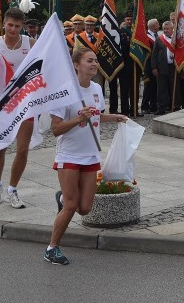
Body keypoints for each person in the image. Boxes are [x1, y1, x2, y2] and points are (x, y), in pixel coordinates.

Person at [45, 47, 128, 265]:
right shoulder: (64, 92)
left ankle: (61, 198)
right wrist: (78, 119)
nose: (95, 64)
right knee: (72, 206)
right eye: (90, 60)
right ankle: (52, 248)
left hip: (90, 154)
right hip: (69, 155)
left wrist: (114, 117)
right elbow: (56, 129)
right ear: (76, 65)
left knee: (85, 208)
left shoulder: (97, 89)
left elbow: (97, 116)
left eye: (96, 61)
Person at [0, 7, 35, 207]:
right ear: (3, 24)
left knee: (23, 148)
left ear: (22, 26)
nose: (13, 29)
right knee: (1, 146)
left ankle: (12, 189)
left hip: (25, 101)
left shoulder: (31, 43)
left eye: (17, 25)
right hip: (3, 103)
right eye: (10, 25)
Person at [150, 20, 176, 114]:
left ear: (172, 29)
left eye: (167, 29)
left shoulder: (176, 38)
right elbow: (154, 54)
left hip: (174, 67)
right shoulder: (159, 39)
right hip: (161, 67)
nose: (165, 30)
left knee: (174, 87)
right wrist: (154, 67)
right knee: (161, 89)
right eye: (164, 29)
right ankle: (161, 108)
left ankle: (175, 106)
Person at [141, 19, 159, 114]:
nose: (159, 26)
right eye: (157, 24)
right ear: (153, 26)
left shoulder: (156, 36)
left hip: (155, 65)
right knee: (148, 87)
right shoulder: (146, 37)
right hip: (147, 66)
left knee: (155, 86)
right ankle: (144, 106)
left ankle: (153, 106)